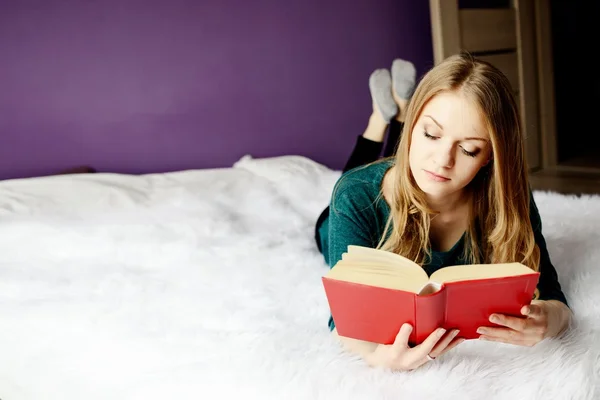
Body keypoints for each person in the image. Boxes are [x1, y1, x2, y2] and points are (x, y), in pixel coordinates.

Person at [314, 53, 572, 371]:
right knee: (354, 178)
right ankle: (381, 121)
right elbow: (342, 322)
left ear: (490, 156)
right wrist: (376, 357)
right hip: (338, 219)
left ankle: (397, 119)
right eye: (431, 135)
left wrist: (549, 319)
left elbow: (554, 298)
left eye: (468, 149)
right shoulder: (355, 197)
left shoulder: (508, 198)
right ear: (414, 126)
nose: (442, 160)